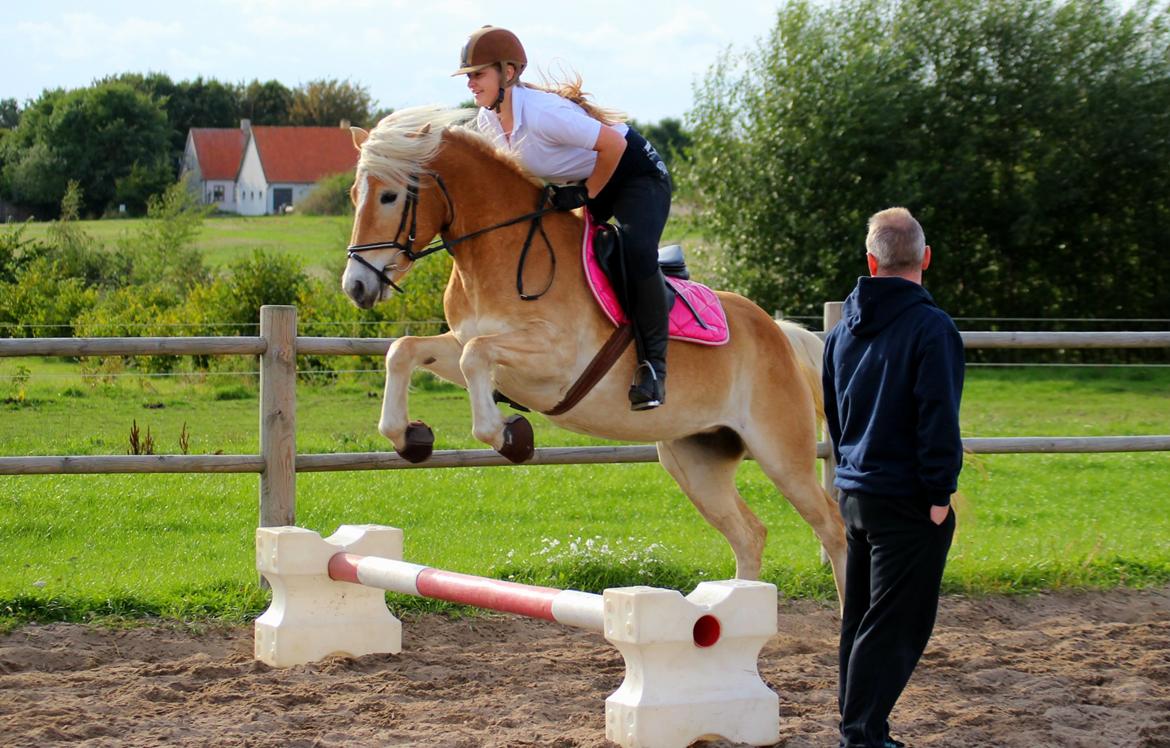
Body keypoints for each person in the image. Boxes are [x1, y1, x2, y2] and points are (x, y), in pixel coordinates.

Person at [453, 25, 673, 411]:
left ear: (507, 73)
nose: (471, 84)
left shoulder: (542, 114)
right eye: (468, 76)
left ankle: (653, 367)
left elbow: (613, 144)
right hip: (587, 181)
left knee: (636, 251)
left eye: (477, 74)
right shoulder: (488, 122)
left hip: (634, 174)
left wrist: (586, 195)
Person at [822, 207, 964, 748]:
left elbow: (835, 413)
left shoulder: (841, 332)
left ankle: (861, 728)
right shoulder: (932, 327)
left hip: (857, 491)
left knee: (861, 619)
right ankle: (862, 736)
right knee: (895, 626)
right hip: (907, 500)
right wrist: (939, 493)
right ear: (925, 258)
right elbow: (937, 417)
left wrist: (848, 476)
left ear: (870, 260)